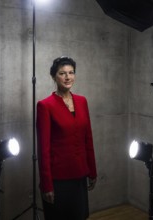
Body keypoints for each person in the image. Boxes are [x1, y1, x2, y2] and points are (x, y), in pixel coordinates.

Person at [36, 56, 97, 220]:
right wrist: (46, 184)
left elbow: (88, 139)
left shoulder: (82, 101)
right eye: (62, 73)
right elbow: (43, 149)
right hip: (58, 179)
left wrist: (92, 170)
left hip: (79, 175)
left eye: (71, 72)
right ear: (54, 77)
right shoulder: (45, 105)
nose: (68, 77)